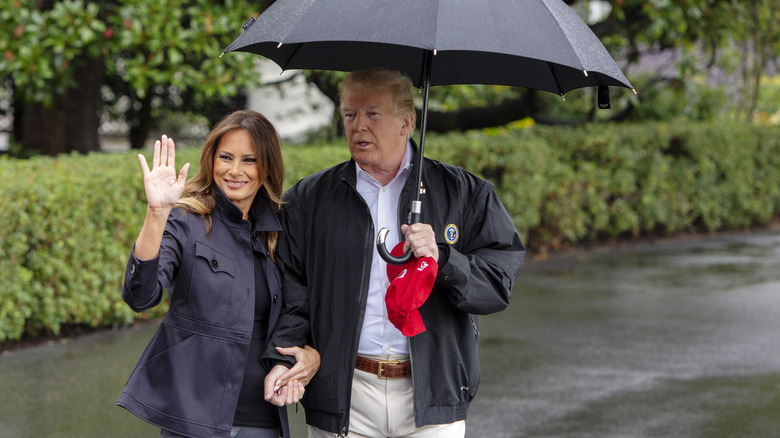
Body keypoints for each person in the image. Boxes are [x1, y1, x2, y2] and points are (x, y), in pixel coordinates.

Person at [263, 69, 526, 437]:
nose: (358, 127)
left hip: (432, 396)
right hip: (345, 396)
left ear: (407, 122)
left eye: (373, 114)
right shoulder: (309, 199)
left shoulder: (465, 193)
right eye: (349, 115)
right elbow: (294, 292)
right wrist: (283, 356)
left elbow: (497, 285)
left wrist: (444, 259)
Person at [117, 110, 320, 438]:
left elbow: (298, 310)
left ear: (266, 167)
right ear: (211, 160)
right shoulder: (186, 220)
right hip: (194, 418)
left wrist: (309, 355)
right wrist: (156, 213)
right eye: (226, 157)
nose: (235, 170)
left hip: (264, 416)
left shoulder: (278, 231)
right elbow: (140, 295)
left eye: (249, 160)